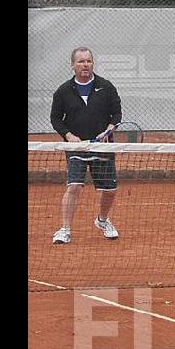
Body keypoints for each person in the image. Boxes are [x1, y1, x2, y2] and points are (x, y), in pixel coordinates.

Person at [50, 46, 123, 244]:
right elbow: (56, 118)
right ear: (72, 65)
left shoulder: (106, 87)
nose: (85, 65)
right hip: (76, 147)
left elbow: (117, 114)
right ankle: (65, 229)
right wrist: (68, 135)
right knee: (74, 187)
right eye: (81, 61)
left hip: (103, 147)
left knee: (110, 190)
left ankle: (102, 220)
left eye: (88, 61)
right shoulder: (63, 91)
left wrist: (108, 130)